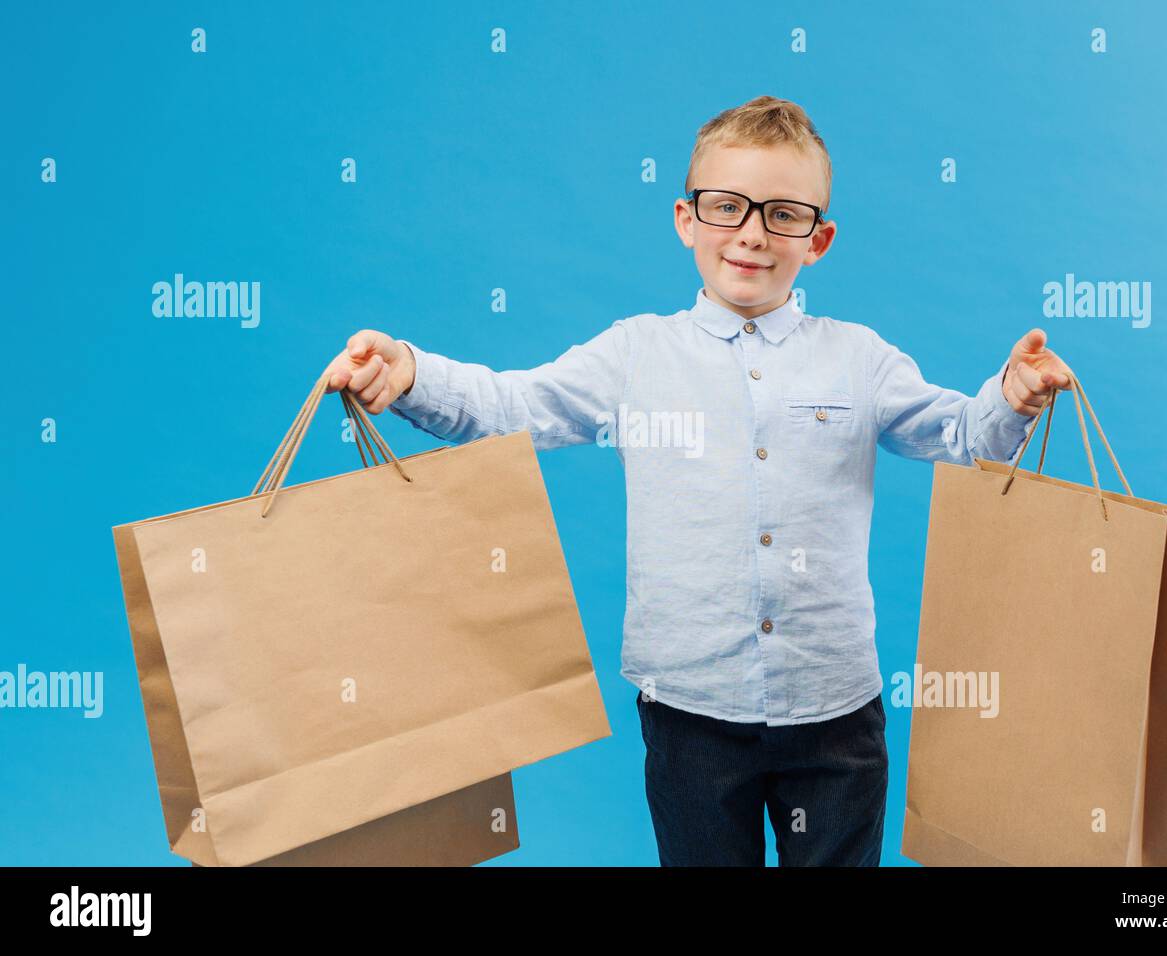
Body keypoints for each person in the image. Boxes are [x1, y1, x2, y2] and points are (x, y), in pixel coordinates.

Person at [322, 95, 1072, 866]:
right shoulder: (635, 354)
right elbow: (514, 405)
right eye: (727, 207)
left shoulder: (860, 358)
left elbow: (959, 436)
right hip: (688, 711)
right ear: (686, 218)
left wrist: (1009, 398)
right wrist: (411, 374)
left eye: (783, 214)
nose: (751, 232)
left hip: (836, 712)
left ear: (819, 239)